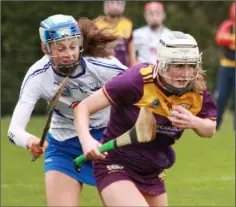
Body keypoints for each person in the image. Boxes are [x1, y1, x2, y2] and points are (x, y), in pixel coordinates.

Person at [74, 31, 217, 206]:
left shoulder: (196, 91)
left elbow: (210, 129)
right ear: (161, 63)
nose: (186, 74)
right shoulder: (136, 80)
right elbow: (83, 107)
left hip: (153, 170)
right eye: (178, 66)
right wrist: (86, 140)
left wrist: (194, 122)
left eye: (191, 66)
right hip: (116, 163)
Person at [8, 14, 127, 207]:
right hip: (63, 144)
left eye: (73, 46)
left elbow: (139, 84)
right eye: (60, 48)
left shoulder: (103, 66)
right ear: (45, 48)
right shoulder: (37, 76)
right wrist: (29, 141)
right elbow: (14, 130)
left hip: (106, 141)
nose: (69, 54)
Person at [95, 0, 136, 67]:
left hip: (123, 67)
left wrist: (134, 67)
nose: (115, 6)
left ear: (123, 6)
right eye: (112, 2)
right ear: (106, 5)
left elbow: (130, 51)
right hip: (103, 66)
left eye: (118, 3)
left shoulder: (128, 24)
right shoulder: (97, 24)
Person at [215, 2, 235, 130]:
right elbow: (220, 38)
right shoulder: (228, 25)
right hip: (226, 66)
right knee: (221, 97)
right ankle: (215, 126)